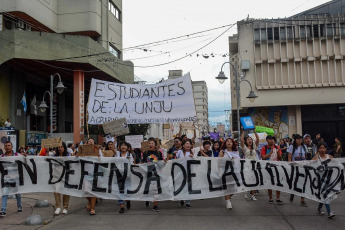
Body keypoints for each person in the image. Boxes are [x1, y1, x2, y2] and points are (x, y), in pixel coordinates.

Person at [76, 137, 101, 215]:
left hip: (95, 173)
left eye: (92, 141)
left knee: (92, 192)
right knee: (86, 191)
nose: (90, 142)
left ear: (94, 143)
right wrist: (81, 150)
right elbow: (77, 158)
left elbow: (102, 160)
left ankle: (93, 208)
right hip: (85, 174)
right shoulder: (83, 150)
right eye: (89, 141)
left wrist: (99, 156)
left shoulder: (97, 150)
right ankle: (90, 202)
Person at [312, 142, 335, 218]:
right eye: (320, 148)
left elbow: (338, 165)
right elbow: (308, 165)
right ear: (318, 149)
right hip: (319, 181)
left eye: (323, 148)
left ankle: (319, 208)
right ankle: (329, 212)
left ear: (326, 149)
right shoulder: (316, 158)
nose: (322, 149)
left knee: (324, 195)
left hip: (328, 180)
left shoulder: (330, 157)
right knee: (326, 195)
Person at [0, 141, 22, 217]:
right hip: (6, 178)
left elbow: (24, 162)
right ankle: (3, 210)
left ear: (12, 147)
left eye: (9, 145)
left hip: (16, 178)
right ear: (4, 148)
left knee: (18, 194)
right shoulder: (2, 157)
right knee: (4, 193)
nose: (7, 147)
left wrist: (25, 157)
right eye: (6, 146)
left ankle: (19, 206)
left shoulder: (17, 155)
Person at [142, 138, 164, 212]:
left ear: (155, 145)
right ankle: (147, 199)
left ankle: (155, 205)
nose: (150, 144)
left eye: (152, 143)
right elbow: (142, 163)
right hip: (147, 173)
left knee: (156, 189)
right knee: (147, 189)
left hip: (156, 174)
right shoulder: (145, 153)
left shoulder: (159, 153)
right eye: (149, 143)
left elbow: (161, 163)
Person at [261, 135, 283, 205]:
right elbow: (263, 157)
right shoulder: (264, 148)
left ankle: (278, 198)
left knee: (278, 183)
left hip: (277, 167)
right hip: (268, 168)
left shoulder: (277, 147)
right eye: (270, 139)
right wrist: (270, 153)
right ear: (267, 140)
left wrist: (277, 152)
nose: (272, 140)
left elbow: (280, 158)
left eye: (273, 139)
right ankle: (270, 198)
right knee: (269, 183)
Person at [218, 138, 240, 209]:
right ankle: (228, 202)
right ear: (225, 143)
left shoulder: (236, 152)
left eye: (231, 141)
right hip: (225, 172)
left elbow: (239, 162)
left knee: (234, 188)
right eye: (227, 141)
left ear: (233, 143)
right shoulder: (223, 152)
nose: (229, 142)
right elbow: (219, 161)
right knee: (227, 187)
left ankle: (228, 197)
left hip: (234, 172)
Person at [287, 134, 308, 206]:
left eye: (300, 139)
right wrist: (290, 164)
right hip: (295, 167)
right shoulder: (292, 147)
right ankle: (293, 192)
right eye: (298, 139)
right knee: (294, 181)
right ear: (295, 140)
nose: (299, 140)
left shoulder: (304, 147)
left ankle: (302, 200)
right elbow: (289, 157)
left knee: (303, 183)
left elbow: (305, 157)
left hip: (302, 167)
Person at [175, 139, 195, 208]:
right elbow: (174, 160)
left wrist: (193, 158)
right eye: (186, 143)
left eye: (189, 144)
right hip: (180, 172)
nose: (188, 145)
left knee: (188, 186)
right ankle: (181, 198)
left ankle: (188, 202)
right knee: (181, 186)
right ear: (183, 145)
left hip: (189, 172)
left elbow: (195, 162)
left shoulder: (192, 153)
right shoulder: (179, 152)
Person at [240, 127, 259, 200]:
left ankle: (253, 195)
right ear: (246, 141)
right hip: (247, 166)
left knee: (253, 180)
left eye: (251, 139)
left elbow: (257, 139)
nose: (250, 140)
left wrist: (255, 131)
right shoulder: (244, 148)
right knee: (247, 180)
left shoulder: (254, 147)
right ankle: (246, 192)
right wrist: (243, 131)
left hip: (254, 166)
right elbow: (241, 140)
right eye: (248, 139)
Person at [116, 141, 134, 214]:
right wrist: (115, 139)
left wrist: (129, 160)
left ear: (127, 147)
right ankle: (122, 206)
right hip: (119, 174)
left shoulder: (130, 154)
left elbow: (133, 164)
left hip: (128, 175)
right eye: (122, 145)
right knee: (120, 190)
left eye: (124, 145)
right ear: (120, 147)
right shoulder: (117, 154)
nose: (123, 147)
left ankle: (128, 201)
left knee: (127, 190)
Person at [53, 142, 71, 215]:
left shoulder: (68, 156)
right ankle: (58, 207)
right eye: (59, 147)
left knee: (66, 192)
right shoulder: (54, 156)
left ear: (64, 148)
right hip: (57, 176)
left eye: (62, 147)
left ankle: (65, 207)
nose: (60, 148)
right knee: (56, 191)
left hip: (66, 176)